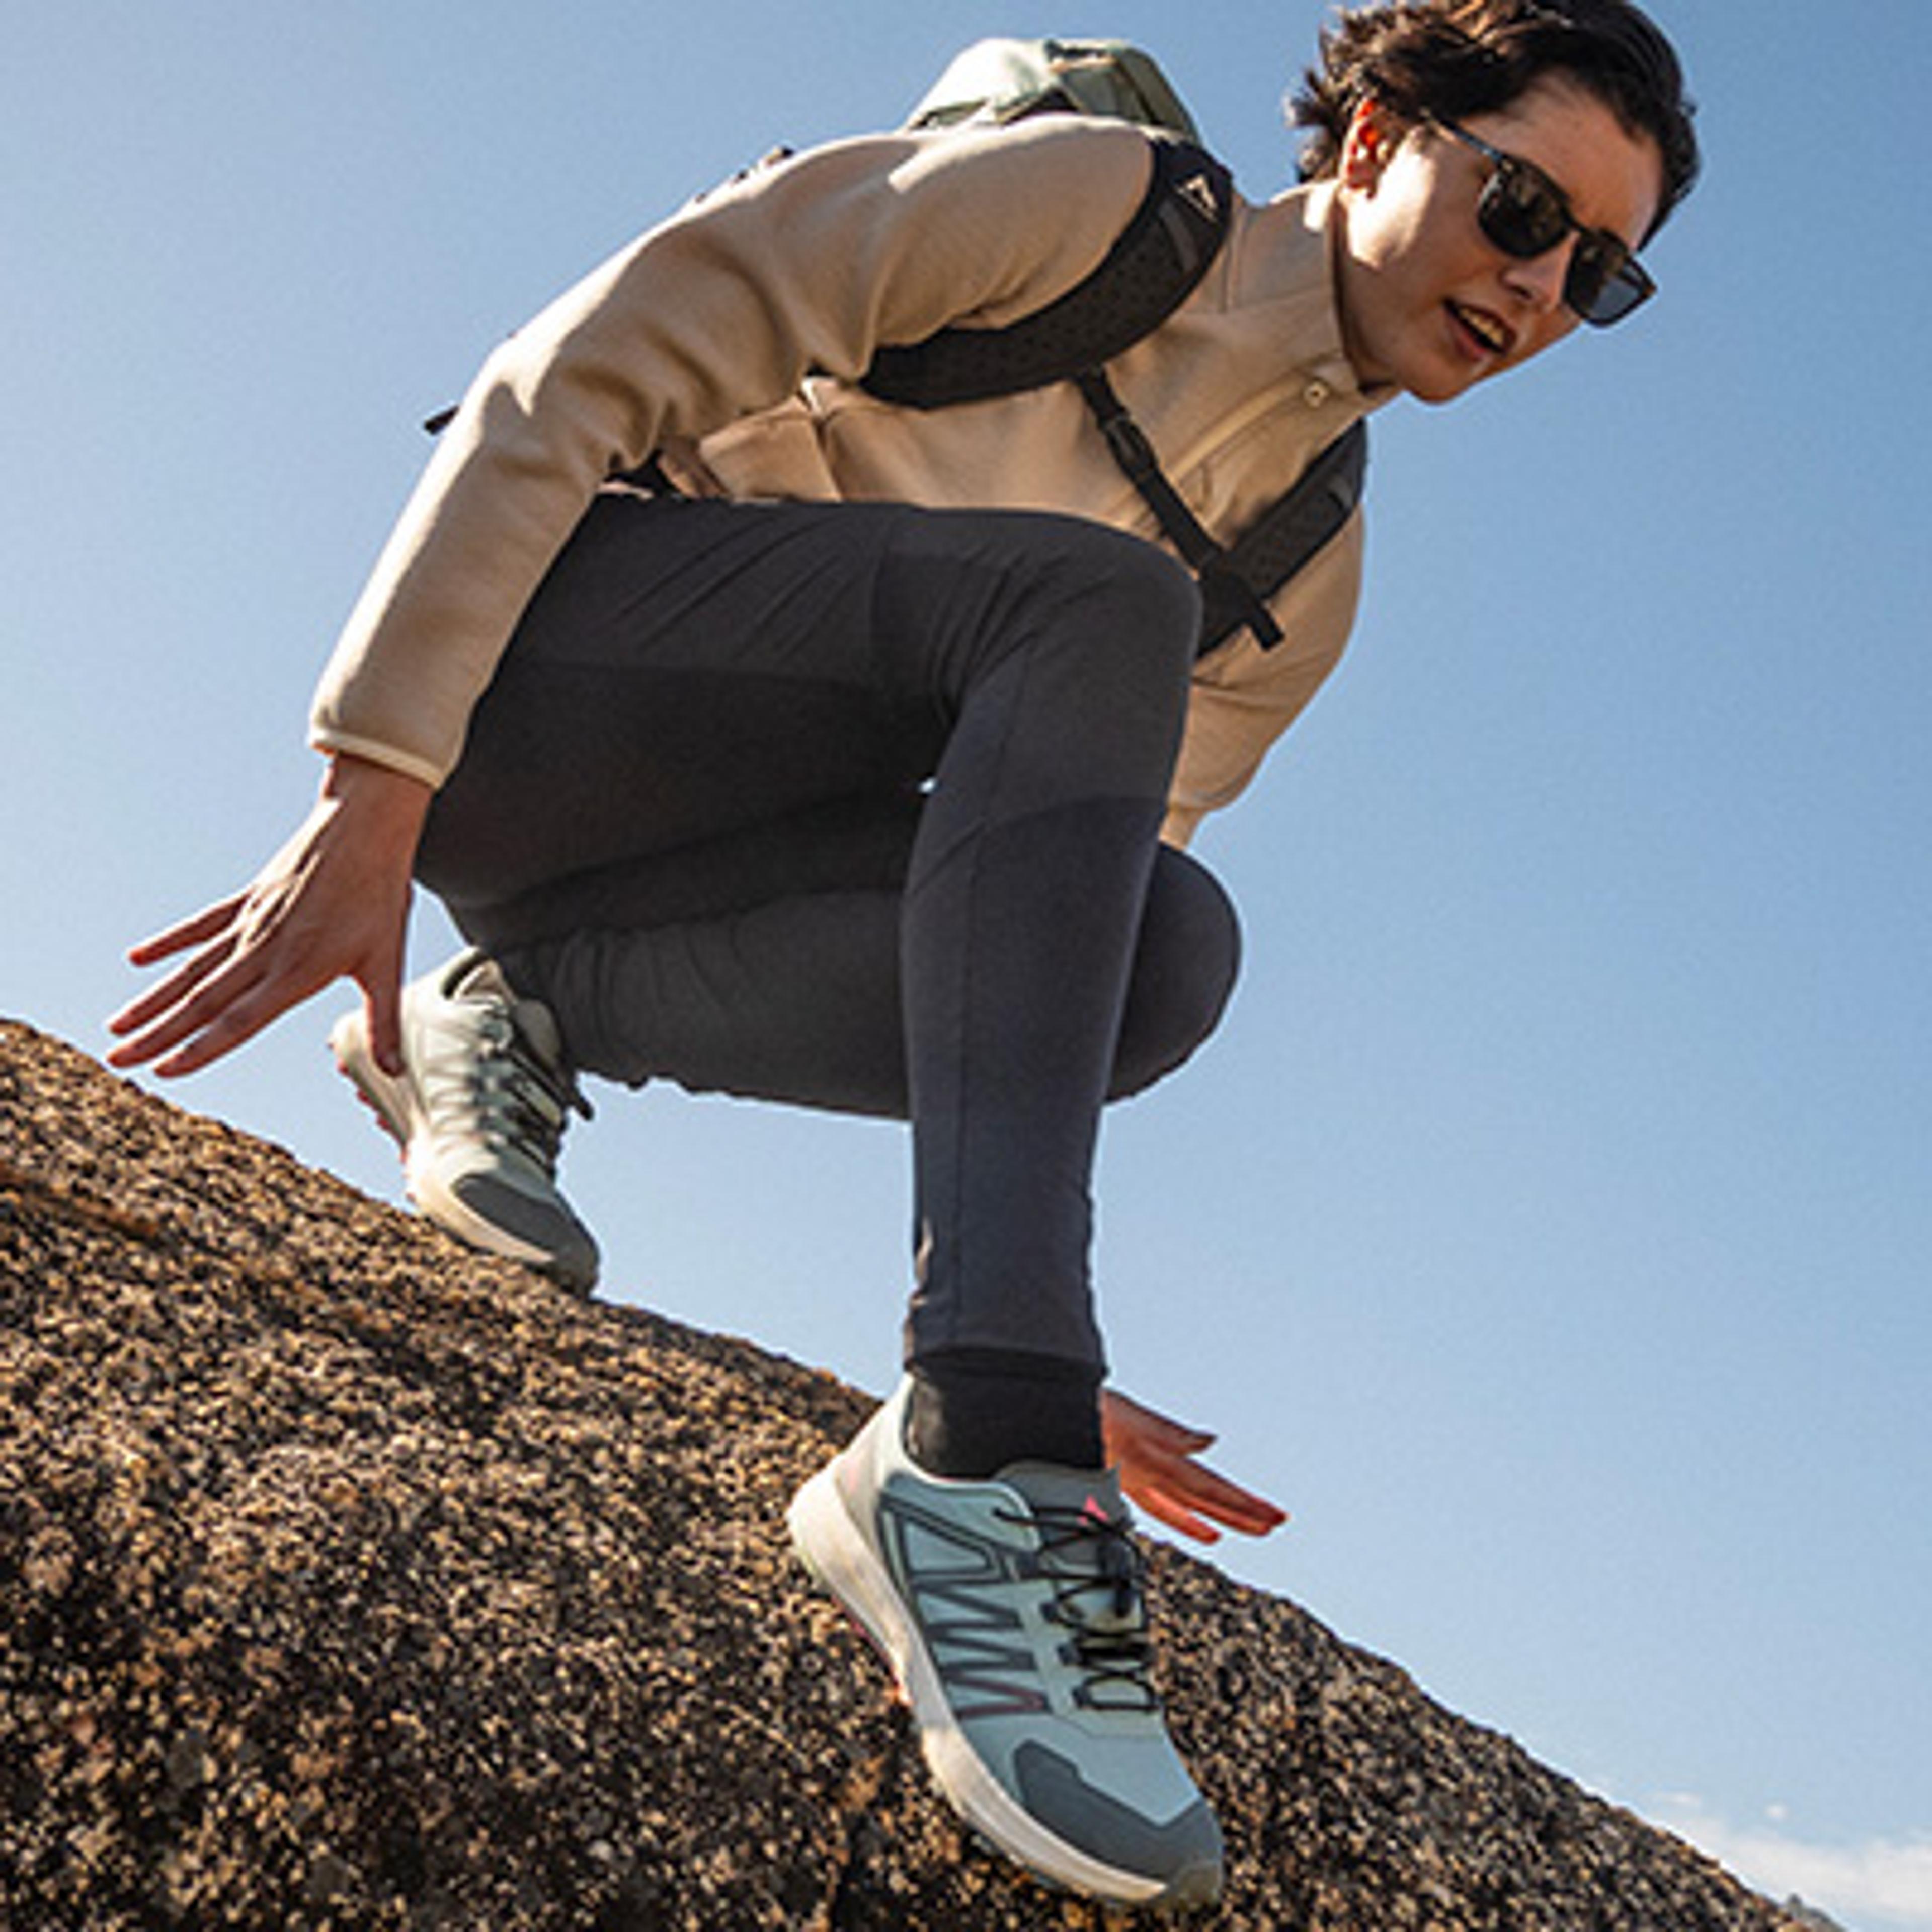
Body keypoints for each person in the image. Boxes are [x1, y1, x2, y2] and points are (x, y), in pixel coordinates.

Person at [108, 0, 1698, 1908]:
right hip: (539, 704)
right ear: (1370, 143)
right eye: (1520, 203)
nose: (1536, 283)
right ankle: (978, 1461)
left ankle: (537, 1025)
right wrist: (373, 790)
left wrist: (1013, 1259)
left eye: (1597, 276)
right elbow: (580, 363)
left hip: (694, 868)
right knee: (1095, 592)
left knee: (1166, 951)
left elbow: (1060, 909)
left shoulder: (1308, 563)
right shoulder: (1098, 208)